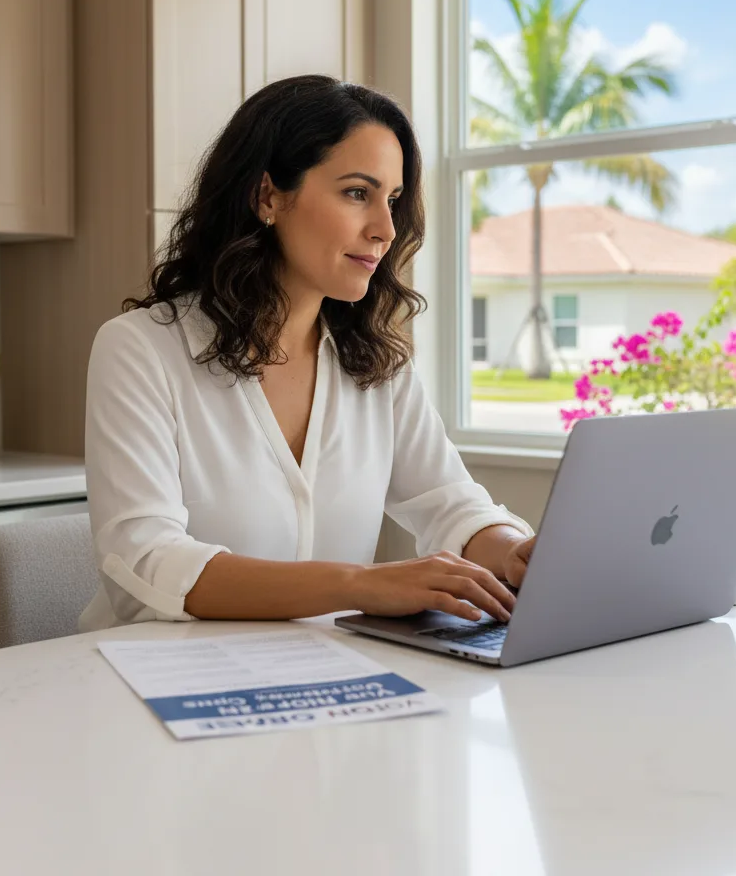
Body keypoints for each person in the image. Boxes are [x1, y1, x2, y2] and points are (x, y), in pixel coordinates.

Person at [77, 75, 536, 634]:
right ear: (267, 196)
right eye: (357, 193)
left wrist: (513, 550)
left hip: (322, 683)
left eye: (392, 200)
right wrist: (361, 585)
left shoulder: (374, 362)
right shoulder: (139, 349)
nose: (386, 229)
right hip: (160, 686)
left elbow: (451, 504)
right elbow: (146, 562)